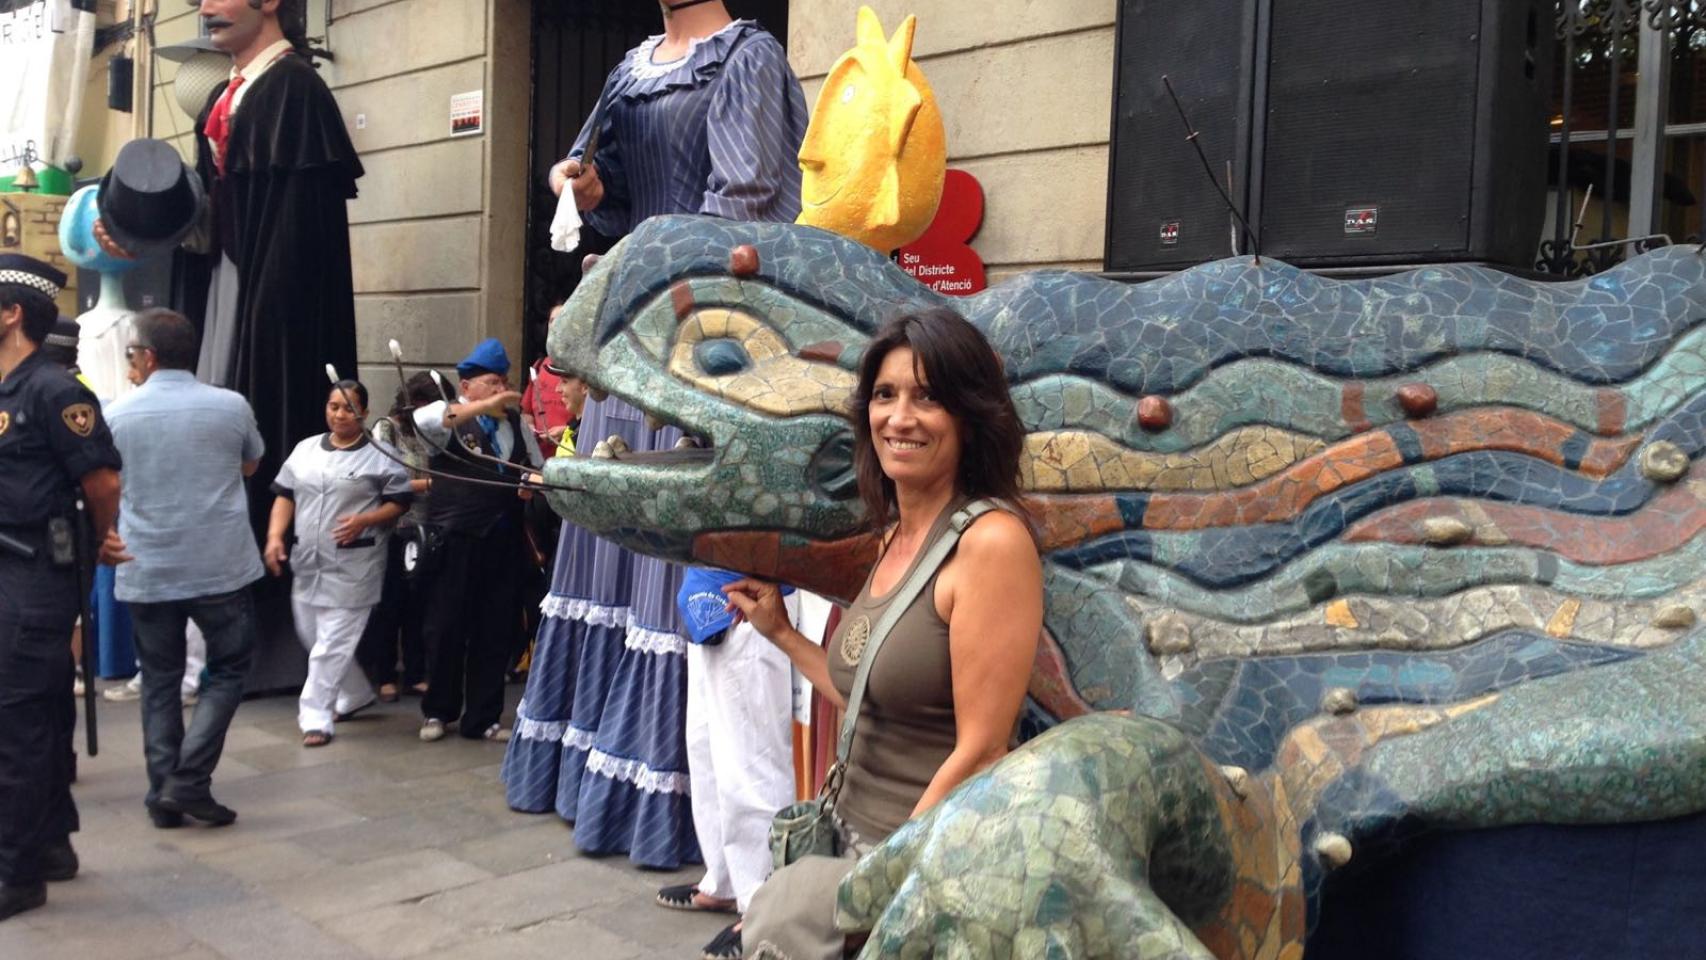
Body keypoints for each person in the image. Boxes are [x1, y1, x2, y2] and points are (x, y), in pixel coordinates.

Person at [505, 0, 808, 893]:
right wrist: (595, 200)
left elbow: (741, 203)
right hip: (634, 330)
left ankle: (723, 850)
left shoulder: (746, 56)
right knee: (617, 537)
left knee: (691, 577)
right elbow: (618, 204)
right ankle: (669, 822)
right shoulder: (631, 67)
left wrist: (638, 280)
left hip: (699, 333)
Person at [732, 309, 1045, 960]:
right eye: (884, 394)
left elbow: (983, 750)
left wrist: (875, 888)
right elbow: (870, 697)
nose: (899, 417)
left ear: (970, 415)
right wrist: (782, 635)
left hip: (921, 869)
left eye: (927, 397)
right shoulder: (895, 538)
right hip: (847, 845)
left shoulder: (991, 543)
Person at [105, 308, 266, 832]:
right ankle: (188, 780)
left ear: (148, 357)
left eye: (132, 353)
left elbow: (107, 484)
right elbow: (249, 464)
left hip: (147, 564)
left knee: (159, 680)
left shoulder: (117, 414)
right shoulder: (231, 406)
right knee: (228, 670)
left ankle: (164, 790)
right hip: (219, 564)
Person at [0, 255, 122, 921]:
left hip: (35, 571)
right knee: (41, 714)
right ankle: (50, 845)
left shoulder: (54, 391)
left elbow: (102, 480)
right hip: (9, 568)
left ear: (13, 313)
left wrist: (101, 544)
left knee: (13, 724)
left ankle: (13, 872)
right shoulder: (5, 388)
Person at [264, 380, 412, 747]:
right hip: (309, 561)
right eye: (333, 407)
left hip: (355, 564)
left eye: (348, 408)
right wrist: (274, 537)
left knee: (331, 645)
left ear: (363, 412)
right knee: (313, 636)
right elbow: (285, 495)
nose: (340, 414)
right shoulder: (305, 449)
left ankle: (315, 717)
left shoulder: (380, 455)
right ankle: (356, 692)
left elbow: (400, 502)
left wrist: (366, 520)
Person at [413, 338, 541, 743]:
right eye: (492, 380)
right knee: (446, 627)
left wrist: (529, 486)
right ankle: (439, 711)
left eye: (504, 379)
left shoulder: (517, 423)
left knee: (495, 628)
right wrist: (483, 408)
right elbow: (426, 421)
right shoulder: (446, 415)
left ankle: (483, 717)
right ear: (467, 386)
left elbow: (532, 467)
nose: (502, 386)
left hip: (502, 540)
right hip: (456, 539)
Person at [356, 371, 448, 701]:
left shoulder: (435, 433)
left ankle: (415, 670)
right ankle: (384, 674)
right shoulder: (388, 429)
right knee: (390, 603)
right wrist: (429, 485)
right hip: (397, 525)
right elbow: (382, 482)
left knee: (418, 605)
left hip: (429, 526)